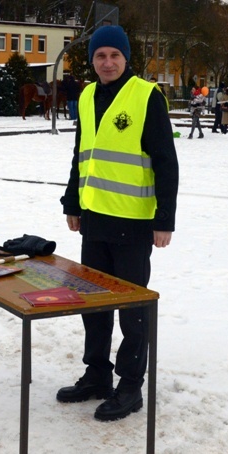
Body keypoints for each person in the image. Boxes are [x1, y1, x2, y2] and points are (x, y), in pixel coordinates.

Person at [58, 25, 179, 422]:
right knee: (93, 305)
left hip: (133, 224)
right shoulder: (88, 94)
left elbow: (166, 162)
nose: (107, 63)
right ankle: (97, 375)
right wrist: (72, 202)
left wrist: (165, 219)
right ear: (91, 61)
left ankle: (130, 386)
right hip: (94, 221)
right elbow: (82, 154)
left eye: (114, 55)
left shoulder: (146, 96)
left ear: (127, 59)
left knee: (132, 309)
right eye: (100, 56)